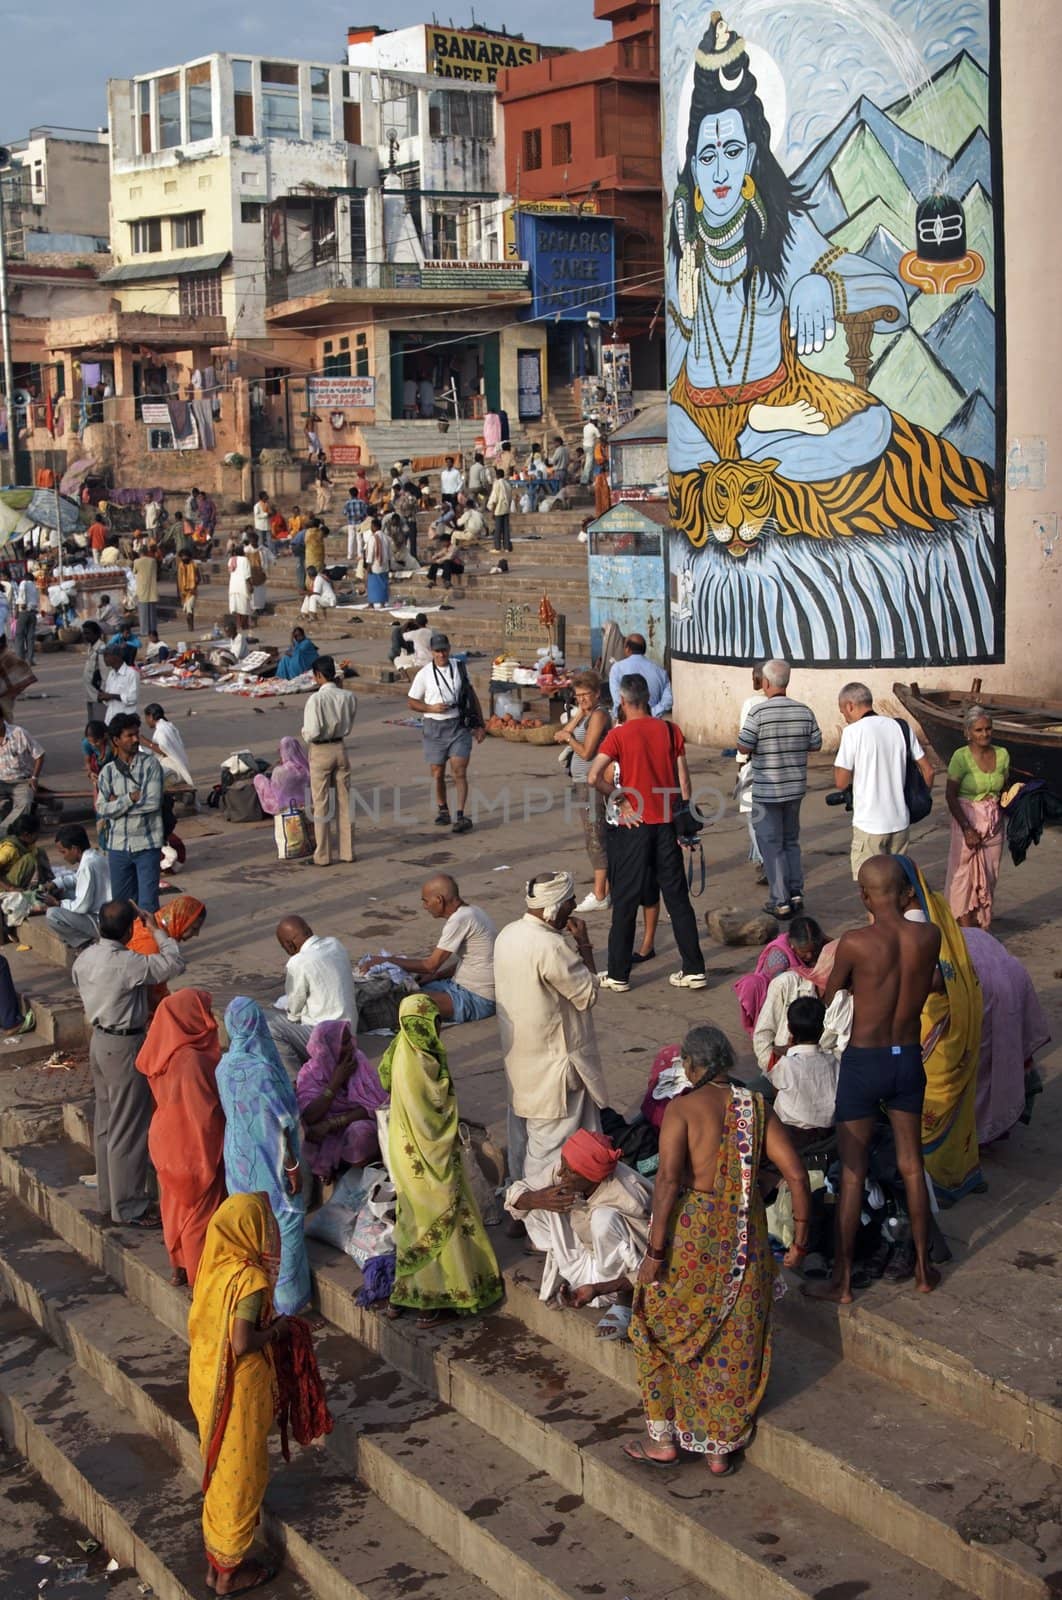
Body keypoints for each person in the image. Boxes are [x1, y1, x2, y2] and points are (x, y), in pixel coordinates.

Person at [626, 1025, 810, 1471]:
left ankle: (664, 1441)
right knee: (733, 1338)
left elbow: (668, 1180)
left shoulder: (683, 1109)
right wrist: (800, 1236)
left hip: (690, 1237)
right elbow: (797, 1174)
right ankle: (719, 1448)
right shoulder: (755, 1107)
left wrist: (654, 1253)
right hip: (745, 1240)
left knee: (653, 1330)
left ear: (691, 1065)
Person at [807, 856, 943, 1304]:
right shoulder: (929, 935)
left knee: (851, 1172)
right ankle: (924, 1269)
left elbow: (830, 996)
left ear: (864, 896)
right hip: (908, 1058)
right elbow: (935, 983)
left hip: (866, 1061)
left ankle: (842, 1283)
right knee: (911, 1164)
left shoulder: (856, 942)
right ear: (905, 892)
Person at [188, 1192, 294, 1594]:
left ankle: (216, 1565)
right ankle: (230, 1575)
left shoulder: (214, 1267)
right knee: (240, 1475)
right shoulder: (247, 1279)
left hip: (207, 1381)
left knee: (220, 1471)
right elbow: (241, 1342)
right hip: (240, 1387)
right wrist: (279, 1331)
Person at [378, 993, 503, 1325]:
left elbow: (383, 1078)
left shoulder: (399, 1049)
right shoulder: (420, 1063)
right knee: (442, 1218)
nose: (440, 1028)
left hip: (404, 1152)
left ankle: (404, 1295)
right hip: (429, 1155)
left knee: (413, 1222)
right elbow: (433, 1117)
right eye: (434, 1022)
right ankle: (436, 1299)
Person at [587, 674, 707, 992]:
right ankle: (694, 968)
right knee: (677, 899)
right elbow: (683, 782)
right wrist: (686, 821)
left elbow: (593, 776)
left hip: (634, 827)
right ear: (649, 699)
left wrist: (621, 799)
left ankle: (618, 973)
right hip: (666, 824)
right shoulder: (670, 730)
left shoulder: (618, 735)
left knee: (625, 900)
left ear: (623, 702)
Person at [71, 899, 187, 1226]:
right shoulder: (127, 963)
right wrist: (157, 931)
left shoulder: (86, 957)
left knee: (107, 1123)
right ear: (126, 932)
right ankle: (129, 1206)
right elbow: (174, 964)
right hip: (124, 1044)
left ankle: (111, 1200)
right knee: (128, 1128)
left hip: (99, 1039)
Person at [494, 871, 607, 1187]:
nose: (573, 907)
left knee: (523, 1139)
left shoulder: (508, 934)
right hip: (555, 1072)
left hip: (521, 1068)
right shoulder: (551, 946)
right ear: (555, 908)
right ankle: (533, 1212)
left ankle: (519, 1201)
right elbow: (588, 994)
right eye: (570, 901)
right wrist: (583, 945)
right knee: (549, 1153)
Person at [895, 857, 985, 1206]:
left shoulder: (914, 924)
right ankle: (963, 1172)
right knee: (956, 1104)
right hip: (954, 1020)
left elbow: (933, 978)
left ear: (902, 893)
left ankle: (936, 1183)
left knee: (929, 1103)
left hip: (935, 1025)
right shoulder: (937, 908)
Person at [506, 1128, 651, 1337]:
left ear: (591, 1177)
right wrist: (537, 1199)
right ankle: (572, 1280)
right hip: (582, 1260)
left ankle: (623, 1303)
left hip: (617, 1277)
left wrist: (601, 1288)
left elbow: (650, 1262)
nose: (560, 1173)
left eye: (568, 1170)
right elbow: (513, 1194)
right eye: (562, 1165)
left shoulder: (629, 1198)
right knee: (541, 1197)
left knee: (604, 1218)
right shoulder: (567, 1168)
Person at [216, 997, 310, 1314]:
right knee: (287, 1223)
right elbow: (282, 1120)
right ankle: (288, 1306)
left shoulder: (224, 1066)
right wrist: (292, 1165)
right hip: (269, 1159)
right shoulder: (263, 1071)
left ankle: (251, 1300)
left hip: (239, 1158)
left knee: (250, 1227)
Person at [135, 987, 225, 1286]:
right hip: (193, 1144)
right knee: (199, 1213)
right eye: (204, 1012)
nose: (210, 1019)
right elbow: (205, 1115)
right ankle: (201, 1282)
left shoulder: (164, 1052)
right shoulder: (192, 1061)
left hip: (166, 1139)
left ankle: (179, 1266)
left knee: (175, 1207)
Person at [737, 659, 822, 919]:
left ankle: (780, 900)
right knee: (791, 841)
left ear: (766, 683)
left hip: (767, 792)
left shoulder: (758, 713)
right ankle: (795, 893)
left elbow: (743, 746)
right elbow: (816, 744)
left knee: (771, 845)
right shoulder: (804, 711)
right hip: (795, 789)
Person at [834, 682, 935, 878]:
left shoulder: (852, 732)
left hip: (869, 825)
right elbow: (929, 771)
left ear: (850, 706)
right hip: (899, 822)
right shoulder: (900, 727)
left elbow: (841, 781)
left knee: (872, 890)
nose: (844, 718)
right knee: (896, 886)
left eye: (842, 712)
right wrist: (919, 798)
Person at [365, 874, 496, 1023]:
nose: (425, 907)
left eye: (426, 901)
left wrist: (386, 960)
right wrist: (438, 976)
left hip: (477, 998)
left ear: (439, 900)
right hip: (458, 985)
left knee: (406, 1003)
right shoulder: (473, 910)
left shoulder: (459, 920)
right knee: (411, 987)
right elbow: (472, 960)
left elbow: (430, 965)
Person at [961, 926, 1050, 1146]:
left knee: (973, 1069)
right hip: (1006, 992)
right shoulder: (974, 937)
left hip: (983, 993)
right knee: (997, 1058)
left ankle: (974, 1134)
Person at [407, 633, 484, 835]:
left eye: (444, 650)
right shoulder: (424, 674)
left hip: (458, 725)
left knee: (459, 770)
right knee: (438, 772)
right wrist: (431, 708)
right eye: (437, 651)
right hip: (434, 727)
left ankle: (460, 814)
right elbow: (412, 702)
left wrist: (480, 724)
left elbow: (471, 694)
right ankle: (443, 808)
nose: (441, 654)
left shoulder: (458, 667)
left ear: (449, 649)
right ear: (432, 652)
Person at [296, 1019, 388, 1181]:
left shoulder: (357, 1061)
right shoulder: (309, 1073)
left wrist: (333, 1123)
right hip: (323, 1135)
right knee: (303, 1139)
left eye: (349, 1040)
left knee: (361, 1134)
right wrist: (335, 1082)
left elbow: (376, 1105)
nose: (351, 1046)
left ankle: (354, 1167)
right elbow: (309, 1116)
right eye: (344, 1043)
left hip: (351, 1125)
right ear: (327, 1048)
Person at [944, 705, 1010, 928]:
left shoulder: (1002, 755)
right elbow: (950, 795)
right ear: (968, 733)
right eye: (979, 730)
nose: (985, 734)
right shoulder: (960, 757)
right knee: (962, 878)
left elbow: (1005, 788)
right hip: (967, 820)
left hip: (994, 823)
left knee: (989, 876)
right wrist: (967, 828)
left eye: (988, 729)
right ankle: (964, 932)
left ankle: (981, 926)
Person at [95, 712, 165, 913]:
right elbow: (101, 808)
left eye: (137, 734)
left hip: (147, 844)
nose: (136, 739)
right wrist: (129, 798)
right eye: (130, 735)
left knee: (148, 904)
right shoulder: (107, 771)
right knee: (122, 906)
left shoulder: (151, 765)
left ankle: (150, 943)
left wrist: (116, 805)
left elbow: (152, 803)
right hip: (117, 847)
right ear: (116, 740)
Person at [269, 915, 359, 1072]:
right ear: (309, 931)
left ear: (289, 945)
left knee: (270, 1026)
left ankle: (296, 1078)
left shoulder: (298, 962)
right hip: (349, 1035)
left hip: (325, 1038)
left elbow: (294, 1011)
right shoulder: (335, 943)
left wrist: (290, 1018)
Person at [555, 671, 613, 912]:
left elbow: (587, 752)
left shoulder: (599, 715)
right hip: (581, 782)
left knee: (595, 837)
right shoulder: (587, 713)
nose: (581, 699)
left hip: (592, 783)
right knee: (595, 835)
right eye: (577, 696)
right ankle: (607, 888)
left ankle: (600, 894)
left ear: (597, 693)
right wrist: (579, 713)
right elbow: (560, 733)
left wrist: (569, 738)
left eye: (585, 695)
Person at [733, 914, 830, 1035]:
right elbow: (783, 990)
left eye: (813, 951)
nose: (809, 956)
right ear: (792, 946)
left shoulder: (820, 943)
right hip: (781, 1000)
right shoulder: (779, 956)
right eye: (804, 952)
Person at [302, 655, 356, 868]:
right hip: (340, 747)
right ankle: (347, 852)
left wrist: (304, 733)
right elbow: (349, 723)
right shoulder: (348, 696)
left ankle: (323, 855)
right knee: (345, 802)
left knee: (321, 805)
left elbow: (313, 731)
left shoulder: (315, 699)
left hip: (321, 750)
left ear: (318, 676)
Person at [766, 996, 839, 1147]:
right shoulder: (833, 1061)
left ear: (789, 1028)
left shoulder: (786, 1064)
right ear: (822, 1029)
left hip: (791, 1132)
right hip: (828, 1130)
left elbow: (775, 1090)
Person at [126, 895, 207, 1014]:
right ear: (180, 919)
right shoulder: (152, 943)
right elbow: (149, 993)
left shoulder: (152, 923)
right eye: (194, 928)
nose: (196, 934)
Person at [40, 823, 110, 949]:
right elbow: (77, 879)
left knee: (52, 914)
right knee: (63, 892)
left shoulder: (88, 865)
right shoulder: (93, 856)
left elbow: (81, 907)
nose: (63, 856)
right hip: (102, 911)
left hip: (101, 921)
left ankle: (84, 942)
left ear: (75, 849)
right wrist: (56, 883)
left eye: (63, 852)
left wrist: (57, 904)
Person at [735, 663, 766, 880]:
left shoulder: (752, 703)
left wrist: (740, 767)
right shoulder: (790, 705)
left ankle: (764, 859)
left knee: (753, 817)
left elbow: (744, 738)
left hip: (753, 765)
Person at [607, 635, 673, 719]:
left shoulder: (616, 668)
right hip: (652, 722)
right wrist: (652, 713)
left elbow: (618, 700)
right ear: (644, 650)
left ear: (627, 649)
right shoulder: (660, 671)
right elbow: (668, 700)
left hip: (626, 722)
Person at [0, 711, 44, 825]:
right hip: (1, 782)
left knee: (25, 803)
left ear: (2, 719)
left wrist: (34, 778)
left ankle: (3, 830)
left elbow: (39, 755)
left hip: (22, 781)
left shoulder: (19, 733)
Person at [253, 737, 310, 816]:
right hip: (307, 803)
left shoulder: (279, 771)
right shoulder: (307, 768)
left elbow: (275, 790)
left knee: (258, 778)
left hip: (283, 806)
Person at [142, 703, 193, 789]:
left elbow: (164, 750)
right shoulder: (167, 726)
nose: (146, 721)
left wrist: (145, 742)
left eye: (146, 718)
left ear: (150, 717)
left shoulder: (162, 730)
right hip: (179, 766)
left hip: (174, 771)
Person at [98, 646, 139, 724]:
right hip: (110, 719)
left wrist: (112, 696)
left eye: (106, 655)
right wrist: (103, 697)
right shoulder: (111, 674)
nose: (104, 659)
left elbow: (133, 698)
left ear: (116, 657)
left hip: (126, 721)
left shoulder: (131, 673)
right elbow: (108, 698)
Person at [81, 621, 107, 723]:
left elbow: (105, 674)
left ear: (96, 634)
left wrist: (103, 692)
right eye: (84, 633)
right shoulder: (91, 648)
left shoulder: (101, 649)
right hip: (90, 694)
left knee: (99, 725)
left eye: (88, 633)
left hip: (98, 696)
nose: (85, 636)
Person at [364, 517, 392, 609]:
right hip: (385, 564)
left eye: (371, 526)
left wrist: (368, 566)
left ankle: (371, 604)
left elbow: (371, 553)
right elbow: (389, 553)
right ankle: (382, 603)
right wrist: (389, 565)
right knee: (383, 584)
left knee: (372, 585)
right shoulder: (387, 538)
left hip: (375, 565)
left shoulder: (373, 538)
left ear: (375, 527)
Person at [132, 545, 159, 637]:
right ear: (147, 552)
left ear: (140, 553)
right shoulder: (153, 561)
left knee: (143, 612)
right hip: (152, 588)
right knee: (152, 613)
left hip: (142, 588)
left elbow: (134, 572)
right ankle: (153, 630)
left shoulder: (136, 561)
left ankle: (144, 631)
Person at [14, 570, 39, 665]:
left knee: (19, 635)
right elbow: (37, 599)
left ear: (25, 578)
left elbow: (21, 592)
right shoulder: (34, 586)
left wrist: (23, 603)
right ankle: (30, 659)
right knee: (30, 637)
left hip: (24, 611)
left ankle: (20, 659)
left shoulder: (24, 583)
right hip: (33, 612)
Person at [486, 466, 513, 553]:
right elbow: (509, 497)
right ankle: (507, 547)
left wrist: (492, 511)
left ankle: (497, 547)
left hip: (498, 509)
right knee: (506, 529)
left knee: (497, 529)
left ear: (497, 475)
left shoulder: (497, 484)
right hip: (506, 508)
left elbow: (494, 499)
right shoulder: (507, 484)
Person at [227, 544, 252, 631]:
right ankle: (243, 625)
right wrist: (250, 586)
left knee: (237, 608)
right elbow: (247, 575)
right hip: (242, 586)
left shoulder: (231, 560)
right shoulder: (245, 560)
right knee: (245, 608)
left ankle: (239, 625)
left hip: (233, 586)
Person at [176, 550, 199, 628]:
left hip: (192, 590)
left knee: (190, 606)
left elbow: (199, 578)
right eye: (182, 557)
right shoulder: (180, 566)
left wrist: (195, 584)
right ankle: (190, 623)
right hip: (183, 591)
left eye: (185, 556)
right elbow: (179, 579)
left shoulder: (194, 565)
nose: (184, 558)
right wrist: (180, 591)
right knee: (188, 608)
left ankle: (191, 625)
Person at [581, 418, 601, 483]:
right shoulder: (594, 429)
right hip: (590, 447)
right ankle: (584, 480)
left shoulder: (585, 427)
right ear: (594, 421)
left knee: (591, 463)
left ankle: (590, 479)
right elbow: (599, 437)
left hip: (584, 446)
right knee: (588, 464)